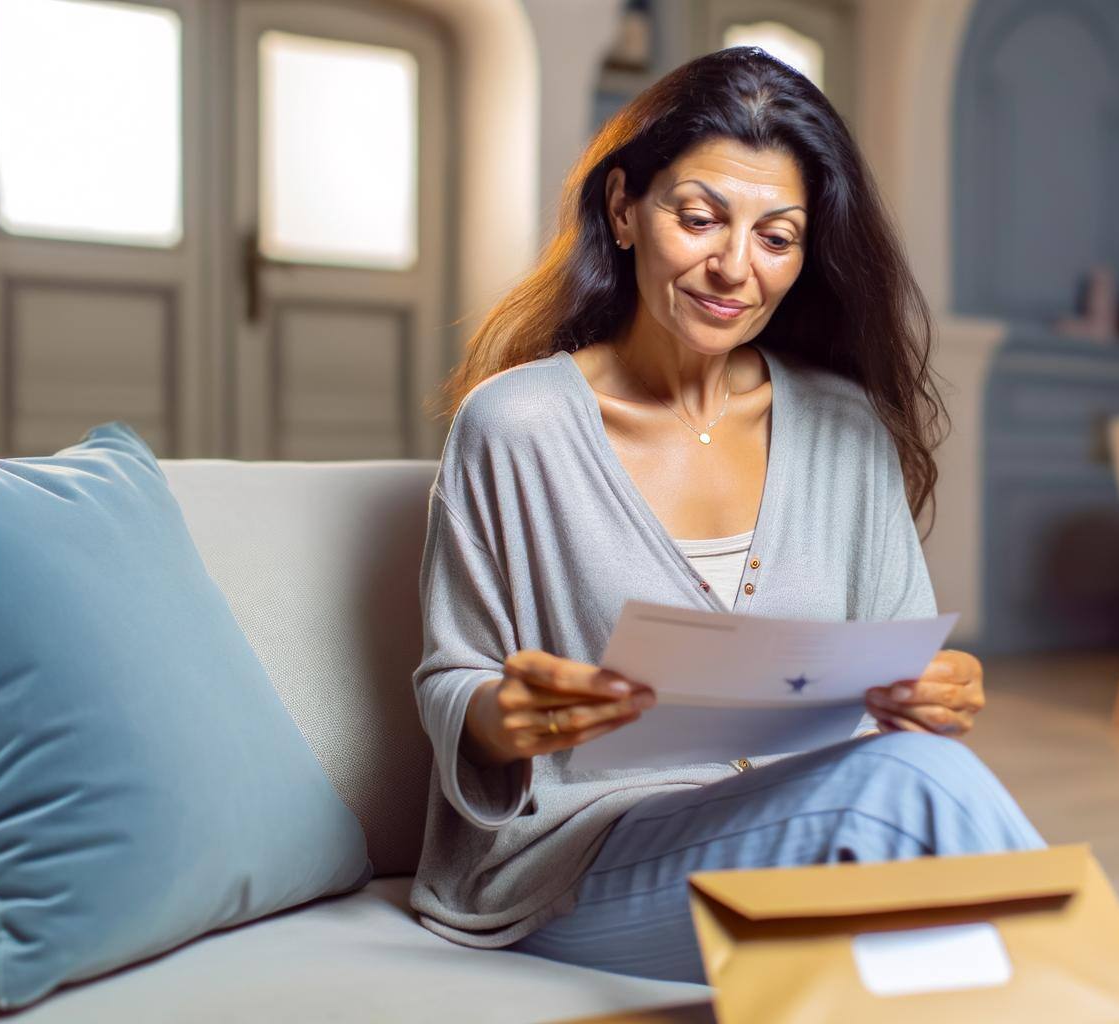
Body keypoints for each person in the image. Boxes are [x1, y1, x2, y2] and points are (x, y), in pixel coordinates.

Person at [409, 47, 1043, 984]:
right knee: (902, 807)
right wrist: (509, 716)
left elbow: (901, 689)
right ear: (624, 209)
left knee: (923, 844)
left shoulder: (841, 423)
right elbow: (448, 676)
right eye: (698, 218)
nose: (732, 268)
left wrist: (935, 692)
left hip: (803, 829)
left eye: (776, 238)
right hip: (579, 866)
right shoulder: (516, 425)